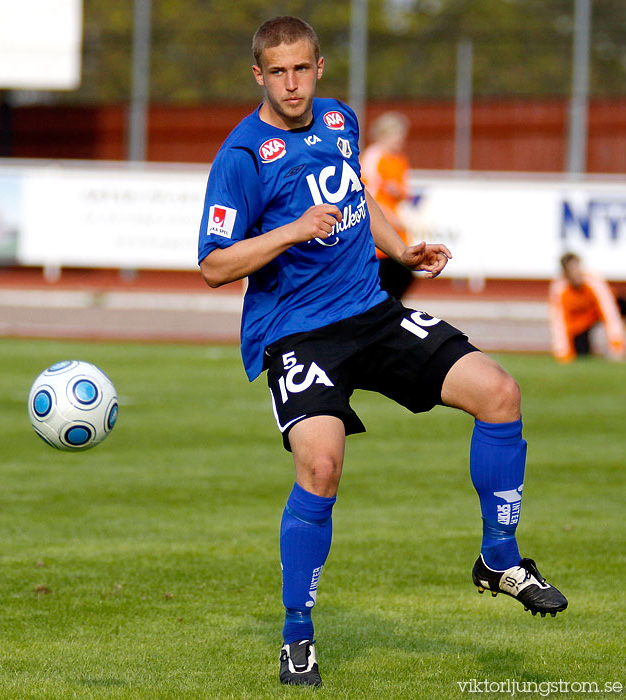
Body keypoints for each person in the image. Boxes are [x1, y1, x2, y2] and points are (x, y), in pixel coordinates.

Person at [198, 16, 567, 687]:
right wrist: (289, 232)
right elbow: (216, 266)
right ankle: (297, 636)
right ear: (258, 74)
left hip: (372, 314)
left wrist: (401, 248)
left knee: (500, 392)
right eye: (277, 71)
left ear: (319, 68)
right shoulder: (243, 158)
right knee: (321, 465)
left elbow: (356, 197)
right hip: (297, 334)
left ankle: (500, 560)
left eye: (301, 69)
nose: (291, 83)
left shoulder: (339, 121)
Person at [360, 111, 415, 299]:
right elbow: (367, 193)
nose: (400, 140)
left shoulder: (400, 160)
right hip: (378, 223)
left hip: (396, 225)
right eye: (396, 135)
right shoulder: (373, 157)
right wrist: (387, 216)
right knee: (389, 273)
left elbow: (402, 191)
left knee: (402, 274)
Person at [549, 252, 624, 362]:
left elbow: (609, 312)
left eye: (576, 268)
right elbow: (558, 322)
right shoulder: (559, 289)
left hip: (599, 313)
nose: (575, 273)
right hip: (581, 322)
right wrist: (563, 352)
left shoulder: (594, 282)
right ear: (565, 273)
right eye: (571, 270)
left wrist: (616, 346)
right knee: (582, 353)